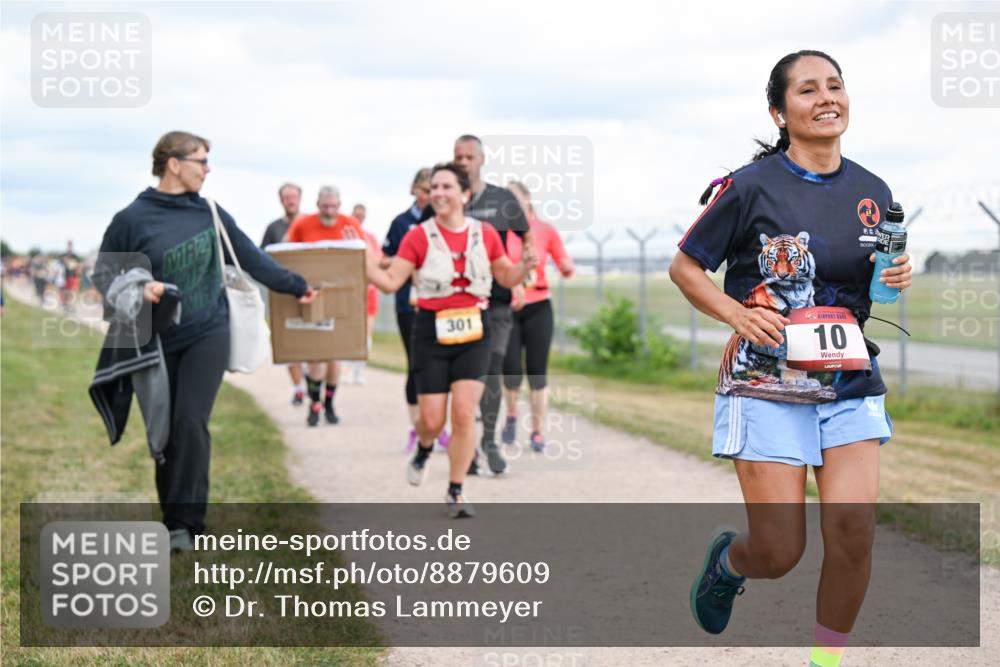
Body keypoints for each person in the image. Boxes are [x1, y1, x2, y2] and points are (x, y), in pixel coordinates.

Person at [669, 52, 912, 666]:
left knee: (853, 534)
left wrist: (897, 274)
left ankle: (824, 662)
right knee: (780, 551)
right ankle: (729, 562)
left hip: (848, 380)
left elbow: (877, 281)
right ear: (781, 112)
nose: (826, 97)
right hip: (764, 382)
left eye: (835, 85)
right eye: (808, 90)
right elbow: (685, 267)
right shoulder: (752, 187)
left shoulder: (873, 191)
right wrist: (735, 312)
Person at [93, 131, 316, 551]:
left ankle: (186, 524)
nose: (208, 169)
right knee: (164, 430)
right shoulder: (132, 219)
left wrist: (297, 285)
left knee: (190, 420)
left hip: (208, 332)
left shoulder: (210, 213)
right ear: (174, 164)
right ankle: (172, 517)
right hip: (155, 339)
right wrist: (139, 290)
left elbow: (251, 258)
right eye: (201, 160)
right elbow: (104, 275)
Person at [366, 162, 537, 518]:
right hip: (430, 331)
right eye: (435, 188)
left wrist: (523, 268)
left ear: (464, 194)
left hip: (475, 330)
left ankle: (456, 490)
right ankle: (425, 449)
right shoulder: (417, 236)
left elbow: (504, 273)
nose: (439, 193)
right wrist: (362, 261)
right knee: (430, 420)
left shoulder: (485, 233)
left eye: (447, 187)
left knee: (462, 414)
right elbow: (391, 281)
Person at [421, 135, 531, 475]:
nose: (463, 161)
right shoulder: (443, 198)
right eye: (458, 156)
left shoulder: (502, 199)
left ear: (481, 159)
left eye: (469, 156)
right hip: (453, 306)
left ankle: (489, 441)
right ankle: (464, 444)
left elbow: (525, 235)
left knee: (492, 371)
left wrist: (522, 275)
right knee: (461, 377)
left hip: (496, 302)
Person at [500, 181, 575, 452]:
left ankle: (537, 431)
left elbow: (564, 263)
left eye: (514, 198)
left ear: (527, 200)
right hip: (510, 308)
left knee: (537, 371)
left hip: (539, 306)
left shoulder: (545, 230)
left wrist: (566, 267)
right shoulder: (500, 232)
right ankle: (510, 414)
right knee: (510, 371)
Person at [382, 169, 450, 451]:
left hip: (440, 303)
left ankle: (437, 426)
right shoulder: (401, 223)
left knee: (441, 366)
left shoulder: (443, 222)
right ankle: (417, 426)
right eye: (424, 192)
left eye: (431, 192)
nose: (428, 197)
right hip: (408, 306)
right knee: (416, 365)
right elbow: (386, 259)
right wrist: (406, 262)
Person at [285, 186, 364, 426]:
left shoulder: (349, 225)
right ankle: (315, 403)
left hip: (341, 295)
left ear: (340, 205)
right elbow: (288, 253)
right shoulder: (303, 224)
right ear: (318, 205)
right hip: (314, 295)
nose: (330, 211)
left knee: (334, 357)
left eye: (334, 207)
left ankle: (329, 402)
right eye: (325, 206)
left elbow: (363, 257)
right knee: (316, 355)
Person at [261, 182, 307, 404]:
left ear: (300, 198)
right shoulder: (273, 229)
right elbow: (261, 258)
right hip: (283, 293)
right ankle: (299, 388)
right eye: (286, 197)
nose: (291, 200)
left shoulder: (309, 224)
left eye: (294, 196)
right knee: (288, 343)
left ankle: (314, 387)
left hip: (308, 291)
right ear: (281, 200)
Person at [343, 203, 379, 385]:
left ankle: (359, 370)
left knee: (366, 333)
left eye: (362, 216)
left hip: (369, 291)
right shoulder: (344, 236)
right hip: (350, 292)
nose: (359, 219)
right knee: (349, 332)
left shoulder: (370, 238)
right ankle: (348, 369)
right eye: (356, 215)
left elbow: (377, 261)